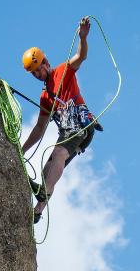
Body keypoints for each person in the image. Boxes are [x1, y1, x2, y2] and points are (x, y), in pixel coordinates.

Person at [21, 17, 101, 224]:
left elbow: (81, 56)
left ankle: (43, 194)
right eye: (34, 72)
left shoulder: (63, 71)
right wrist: (22, 151)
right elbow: (39, 128)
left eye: (39, 68)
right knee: (49, 168)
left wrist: (83, 37)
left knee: (57, 154)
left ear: (46, 63)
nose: (38, 74)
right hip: (68, 131)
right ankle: (38, 211)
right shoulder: (45, 97)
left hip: (81, 125)